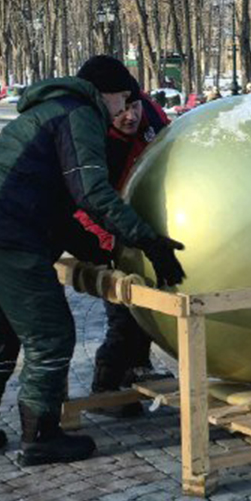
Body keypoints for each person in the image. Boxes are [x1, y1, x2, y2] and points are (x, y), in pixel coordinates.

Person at [0, 55, 186, 466]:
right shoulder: (80, 114)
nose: (127, 108)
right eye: (124, 97)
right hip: (9, 234)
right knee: (51, 336)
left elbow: (57, 202)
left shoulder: (52, 109)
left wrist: (102, 251)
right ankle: (41, 438)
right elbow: (90, 192)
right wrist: (150, 241)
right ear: (106, 92)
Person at [75, 85, 171, 416]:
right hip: (109, 234)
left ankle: (136, 370)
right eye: (120, 110)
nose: (129, 116)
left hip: (145, 231)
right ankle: (104, 386)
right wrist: (108, 242)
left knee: (146, 306)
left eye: (134, 107)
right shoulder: (93, 139)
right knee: (123, 314)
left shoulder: (154, 117)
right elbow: (85, 200)